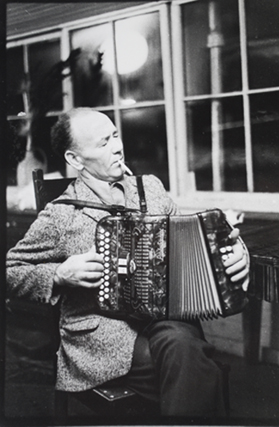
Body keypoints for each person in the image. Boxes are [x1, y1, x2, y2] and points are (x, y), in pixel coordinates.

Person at [6, 108, 249, 419]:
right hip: (105, 339)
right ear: (76, 160)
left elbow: (196, 244)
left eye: (115, 136)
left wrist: (236, 251)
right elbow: (11, 271)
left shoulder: (151, 189)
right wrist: (59, 274)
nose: (117, 147)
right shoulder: (61, 214)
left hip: (166, 321)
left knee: (182, 348)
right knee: (191, 358)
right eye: (103, 143)